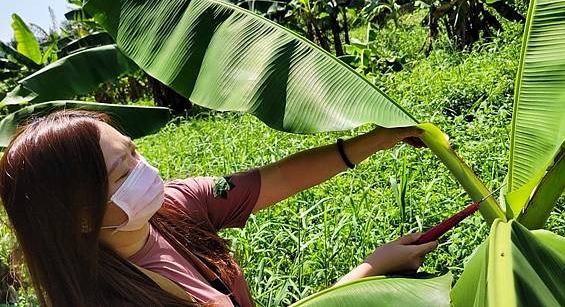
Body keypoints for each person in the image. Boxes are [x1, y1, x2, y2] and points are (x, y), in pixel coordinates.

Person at [0, 109, 437, 306]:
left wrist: (379, 138)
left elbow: (275, 179)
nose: (145, 170)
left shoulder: (175, 205)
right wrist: (369, 270)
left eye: (133, 151)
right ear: (78, 217)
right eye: (121, 172)